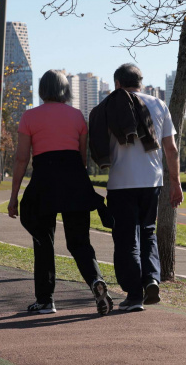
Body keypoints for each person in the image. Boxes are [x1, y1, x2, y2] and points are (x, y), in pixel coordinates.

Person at [7, 69, 113, 316]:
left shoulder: (29, 117)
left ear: (42, 90)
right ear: (66, 90)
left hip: (44, 182)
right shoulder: (77, 116)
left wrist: (14, 197)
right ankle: (95, 280)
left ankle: (45, 300)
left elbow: (21, 159)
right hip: (75, 181)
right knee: (79, 242)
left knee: (44, 242)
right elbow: (82, 158)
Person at [88, 63, 183, 312]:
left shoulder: (107, 106)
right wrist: (176, 183)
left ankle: (134, 294)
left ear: (118, 83)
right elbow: (171, 149)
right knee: (148, 232)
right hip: (152, 181)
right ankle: (151, 278)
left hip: (121, 183)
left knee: (126, 239)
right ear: (140, 82)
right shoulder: (158, 105)